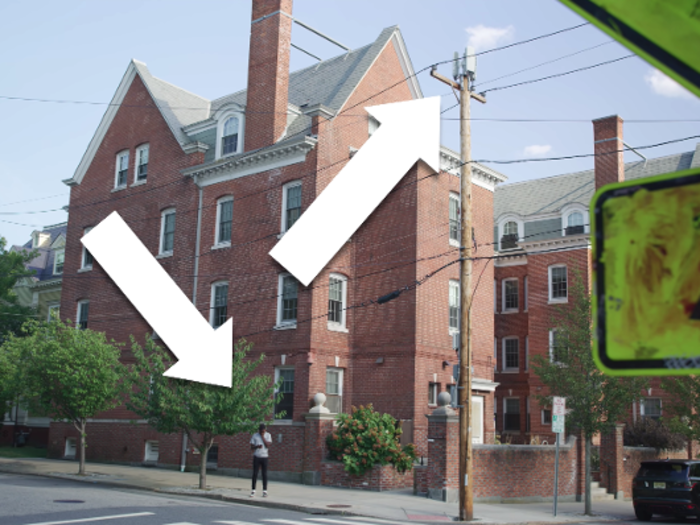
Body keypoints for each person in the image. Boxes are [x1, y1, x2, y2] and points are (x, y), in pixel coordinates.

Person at [250, 423, 272, 497]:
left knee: (264, 474)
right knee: (255, 473)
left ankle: (264, 490)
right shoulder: (255, 435)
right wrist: (257, 446)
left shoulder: (268, 435)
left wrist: (262, 437)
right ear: (258, 430)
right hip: (257, 456)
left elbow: (268, 445)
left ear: (265, 430)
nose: (261, 432)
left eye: (263, 431)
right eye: (260, 431)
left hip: (264, 456)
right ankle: (253, 490)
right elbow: (251, 447)